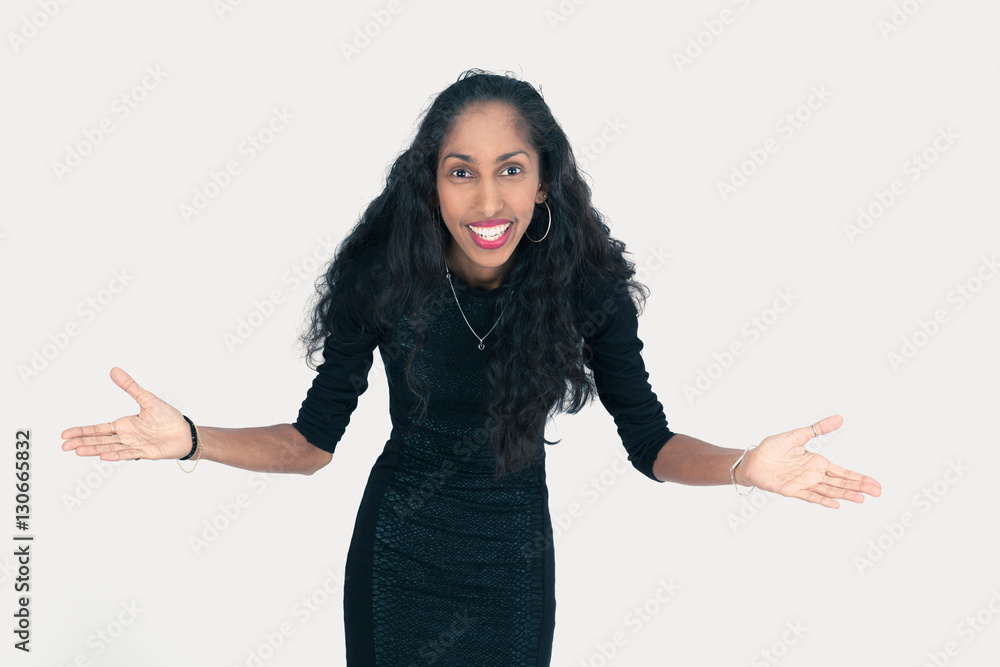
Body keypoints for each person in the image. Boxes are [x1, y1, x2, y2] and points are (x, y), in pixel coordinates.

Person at [61, 69, 882, 665]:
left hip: (513, 562)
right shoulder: (383, 279)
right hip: (397, 555)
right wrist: (193, 438)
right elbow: (311, 444)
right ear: (433, 183)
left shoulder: (587, 288)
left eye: (510, 169)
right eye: (462, 172)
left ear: (543, 182)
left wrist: (743, 466)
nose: (487, 202)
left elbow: (652, 444)